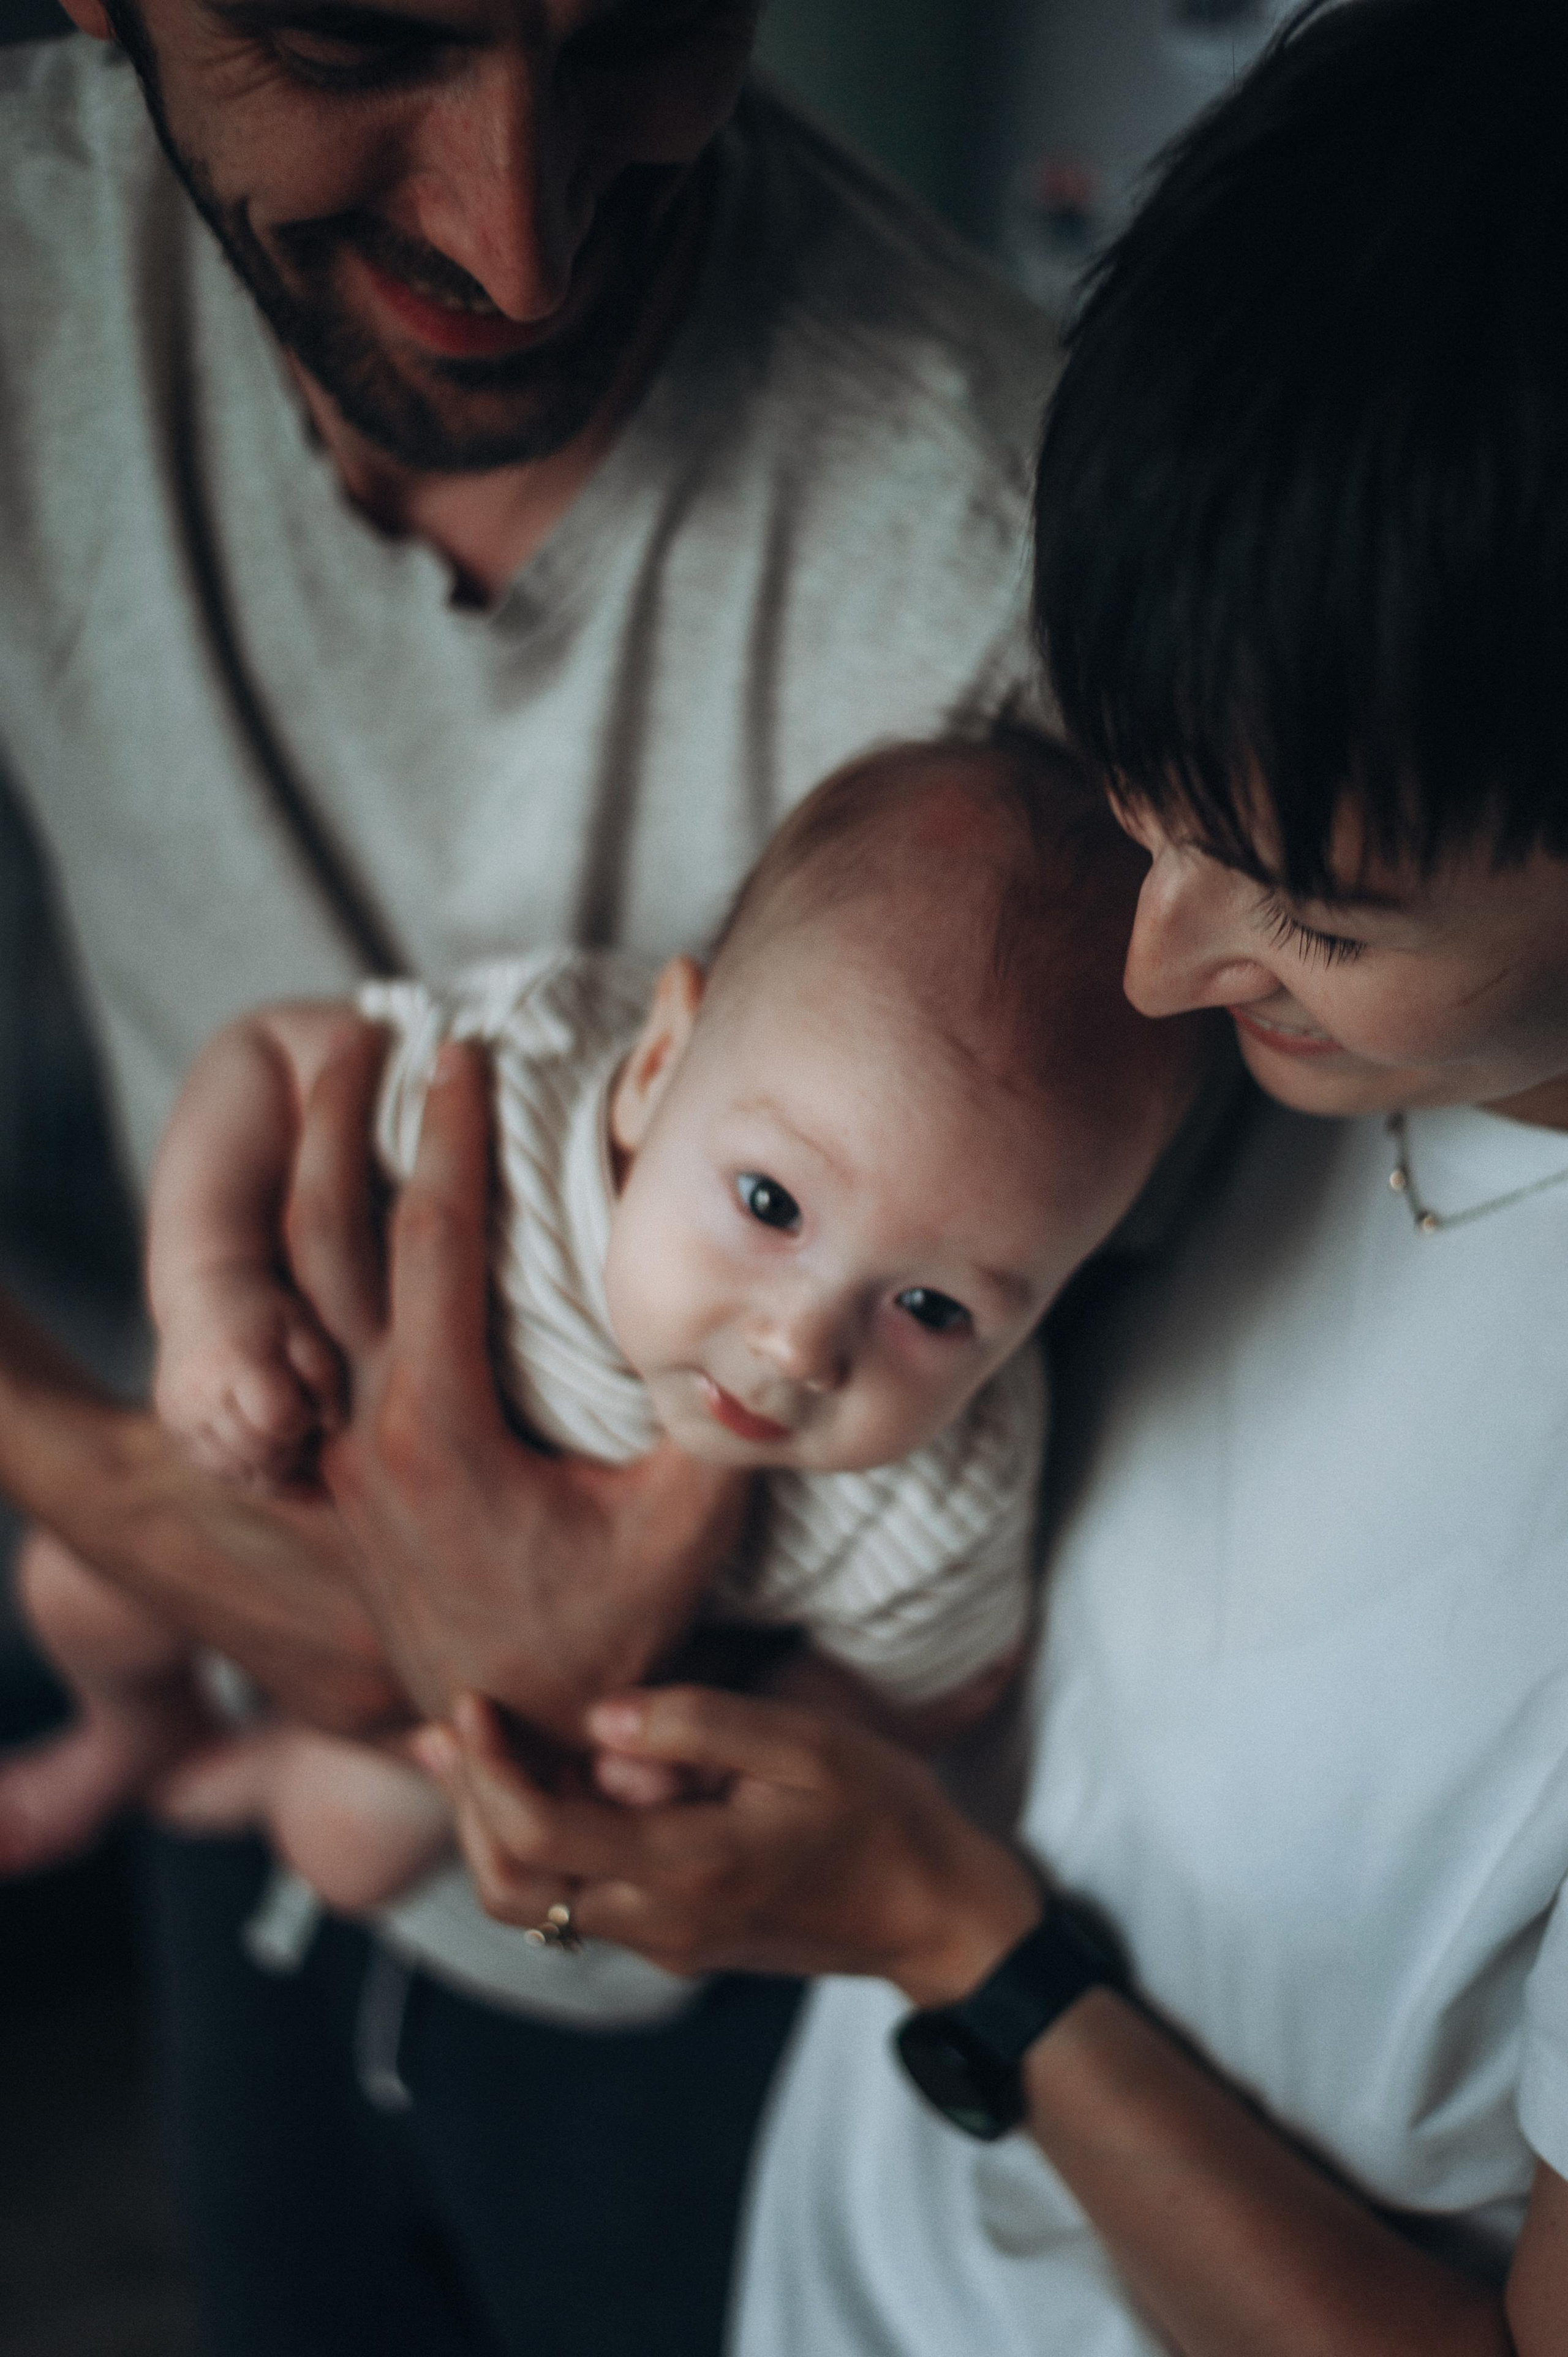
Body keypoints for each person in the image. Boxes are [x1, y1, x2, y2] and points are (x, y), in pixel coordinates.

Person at [407, 4, 1568, 2350]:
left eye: (1311, 906)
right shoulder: (1297, 1025)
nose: (1157, 959)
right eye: (1152, 816)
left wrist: (959, 1938)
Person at [0, 2, 1058, 2348]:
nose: (522, 228)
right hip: (196, 1533)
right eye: (354, 30)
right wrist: (137, 1483)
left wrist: (558, 1707)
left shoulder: (1037, 597)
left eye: (644, 34)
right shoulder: (26, 271)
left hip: (668, 1970)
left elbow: (952, 1664)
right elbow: (296, 1071)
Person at [5, 735, 1207, 1926]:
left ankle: (254, 1775)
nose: (797, 1348)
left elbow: (922, 1692)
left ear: (1045, 1302)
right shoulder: (530, 1080)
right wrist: (210, 1289)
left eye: (934, 1311)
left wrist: (731, 1746)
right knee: (71, 1588)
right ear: (655, 1063)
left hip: (469, 1731)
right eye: (769, 1204)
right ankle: (130, 1737)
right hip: (269, 1482)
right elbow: (268, 1057)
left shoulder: (940, 1497)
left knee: (342, 1845)